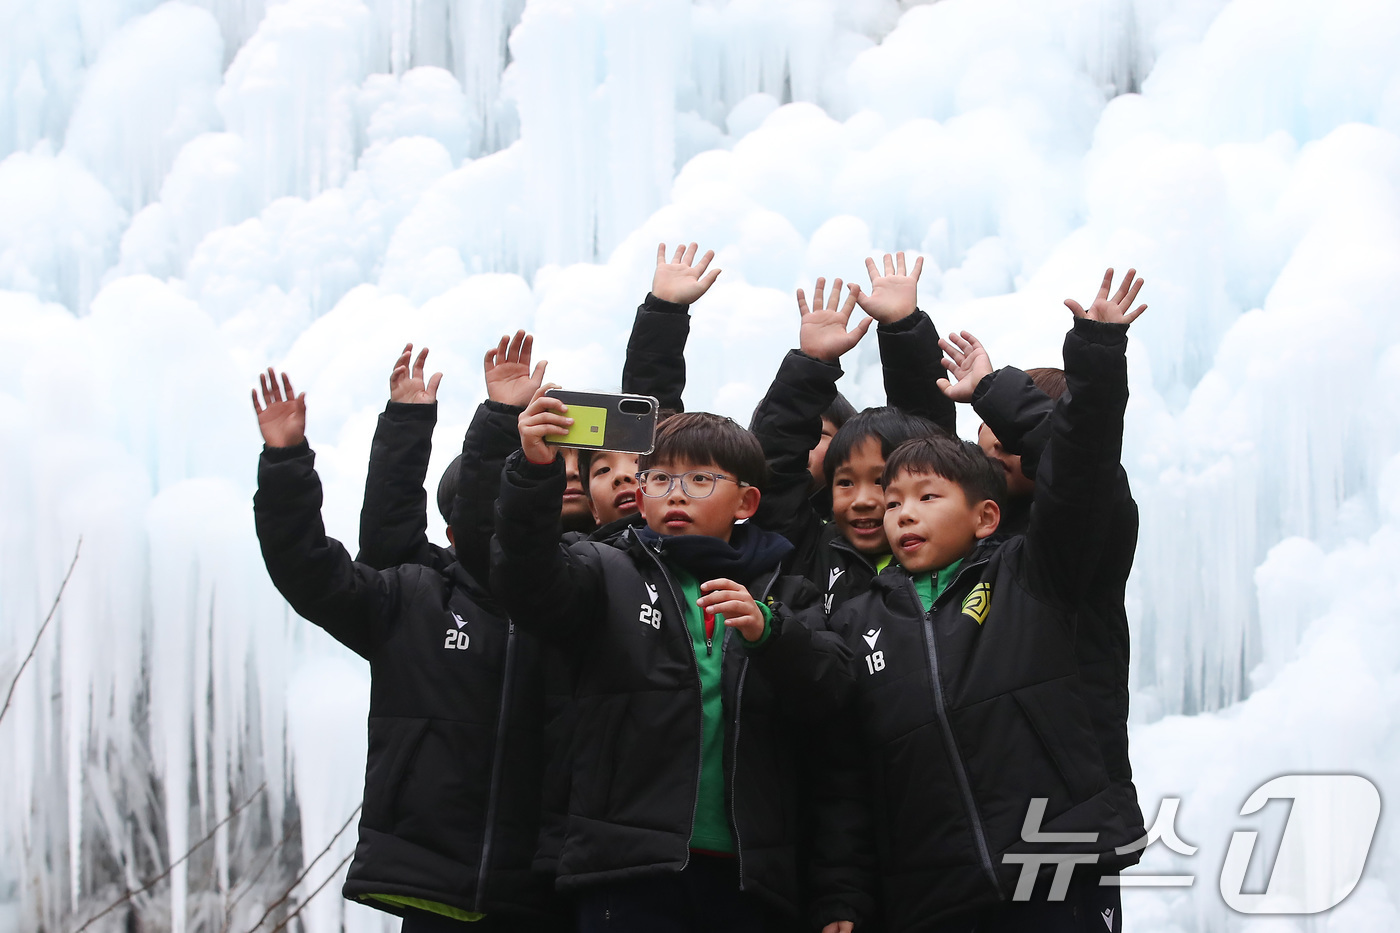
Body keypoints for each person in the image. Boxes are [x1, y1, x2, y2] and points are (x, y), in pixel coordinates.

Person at [811, 270, 1150, 933]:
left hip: (1059, 857)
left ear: (986, 515)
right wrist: (842, 896)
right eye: (891, 502)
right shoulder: (859, 616)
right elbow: (847, 776)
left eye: (924, 498)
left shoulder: (1037, 573)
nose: (900, 512)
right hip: (933, 888)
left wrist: (1092, 357)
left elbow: (1081, 471)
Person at [491, 397, 847, 932]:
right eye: (659, 479)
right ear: (641, 495)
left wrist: (769, 632)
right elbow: (526, 583)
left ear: (746, 500)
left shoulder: (787, 593)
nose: (676, 493)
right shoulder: (601, 566)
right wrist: (532, 472)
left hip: (752, 875)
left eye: (700, 479)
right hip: (626, 866)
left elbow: (833, 690)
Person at [250, 369, 563, 932]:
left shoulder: (576, 601)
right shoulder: (413, 600)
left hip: (549, 888)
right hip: (432, 885)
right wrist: (286, 463)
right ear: (453, 531)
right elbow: (311, 567)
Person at [749, 252, 955, 618]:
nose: (862, 500)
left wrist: (903, 328)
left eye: (882, 481)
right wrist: (811, 363)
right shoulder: (809, 548)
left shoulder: (948, 551)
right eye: (845, 482)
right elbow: (774, 468)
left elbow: (929, 444)